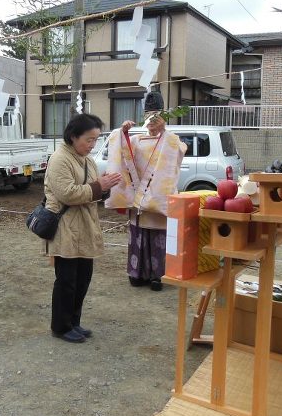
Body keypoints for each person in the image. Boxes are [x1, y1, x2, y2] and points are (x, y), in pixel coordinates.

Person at [44, 114, 122, 343]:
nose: (92, 145)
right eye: (88, 139)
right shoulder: (59, 159)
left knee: (83, 278)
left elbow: (93, 190)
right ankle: (60, 326)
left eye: (95, 140)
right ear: (73, 136)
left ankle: (73, 322)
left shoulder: (87, 160)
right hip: (65, 227)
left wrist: (105, 186)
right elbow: (67, 193)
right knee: (66, 280)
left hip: (85, 225)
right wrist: (99, 186)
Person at [109, 90, 186, 291]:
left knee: (158, 236)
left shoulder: (172, 140)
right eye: (148, 114)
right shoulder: (135, 141)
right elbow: (123, 157)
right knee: (138, 235)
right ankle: (137, 273)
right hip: (139, 198)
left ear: (163, 115)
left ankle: (158, 275)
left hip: (158, 198)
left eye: (156, 114)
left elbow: (177, 156)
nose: (152, 119)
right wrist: (123, 133)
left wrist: (165, 131)